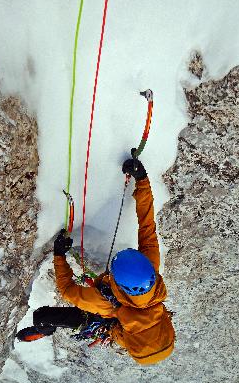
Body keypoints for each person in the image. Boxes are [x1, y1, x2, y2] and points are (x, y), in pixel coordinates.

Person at [16, 153, 175, 365]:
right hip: (145, 336)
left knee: (41, 318)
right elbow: (147, 226)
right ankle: (46, 325)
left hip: (118, 327)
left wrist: (59, 256)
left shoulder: (104, 304)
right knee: (45, 316)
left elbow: (67, 290)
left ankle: (44, 330)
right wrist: (142, 181)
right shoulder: (150, 270)